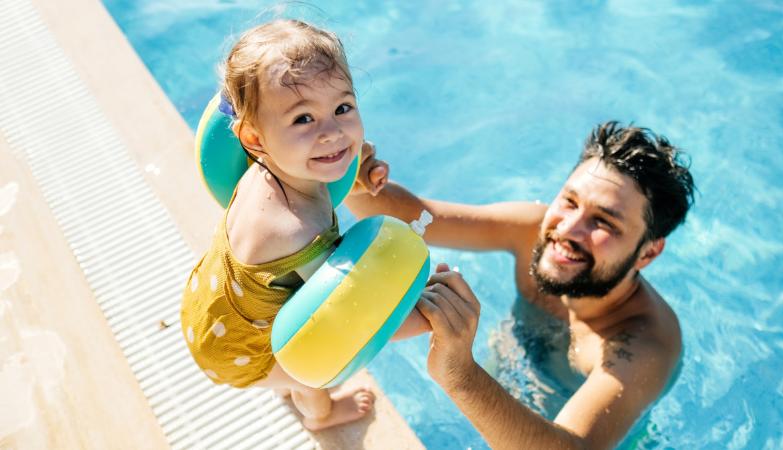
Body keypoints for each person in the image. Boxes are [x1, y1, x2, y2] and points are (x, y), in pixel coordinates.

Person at [345, 122, 695, 449]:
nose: (567, 230)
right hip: (505, 394)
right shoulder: (533, 231)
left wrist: (459, 373)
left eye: (602, 222)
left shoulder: (644, 344)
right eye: (570, 201)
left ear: (648, 252)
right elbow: (414, 216)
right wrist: (349, 176)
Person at [179, 19, 427, 431]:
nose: (332, 133)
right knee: (309, 375)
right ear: (255, 138)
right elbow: (347, 316)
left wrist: (359, 173)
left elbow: (324, 171)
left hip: (208, 308)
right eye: (303, 120)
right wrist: (426, 312)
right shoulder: (296, 230)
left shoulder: (261, 168)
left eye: (342, 108)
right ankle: (320, 418)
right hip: (240, 351)